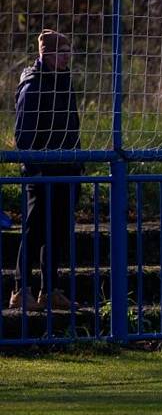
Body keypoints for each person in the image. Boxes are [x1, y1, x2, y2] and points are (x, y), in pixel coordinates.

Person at [10, 29, 83, 311]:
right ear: (45, 53)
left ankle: (49, 289)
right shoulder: (32, 85)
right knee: (35, 230)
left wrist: (78, 165)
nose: (66, 56)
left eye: (68, 50)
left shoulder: (65, 83)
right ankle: (20, 289)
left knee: (58, 232)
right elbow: (23, 135)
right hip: (41, 172)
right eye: (60, 50)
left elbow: (72, 127)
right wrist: (36, 168)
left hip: (67, 169)